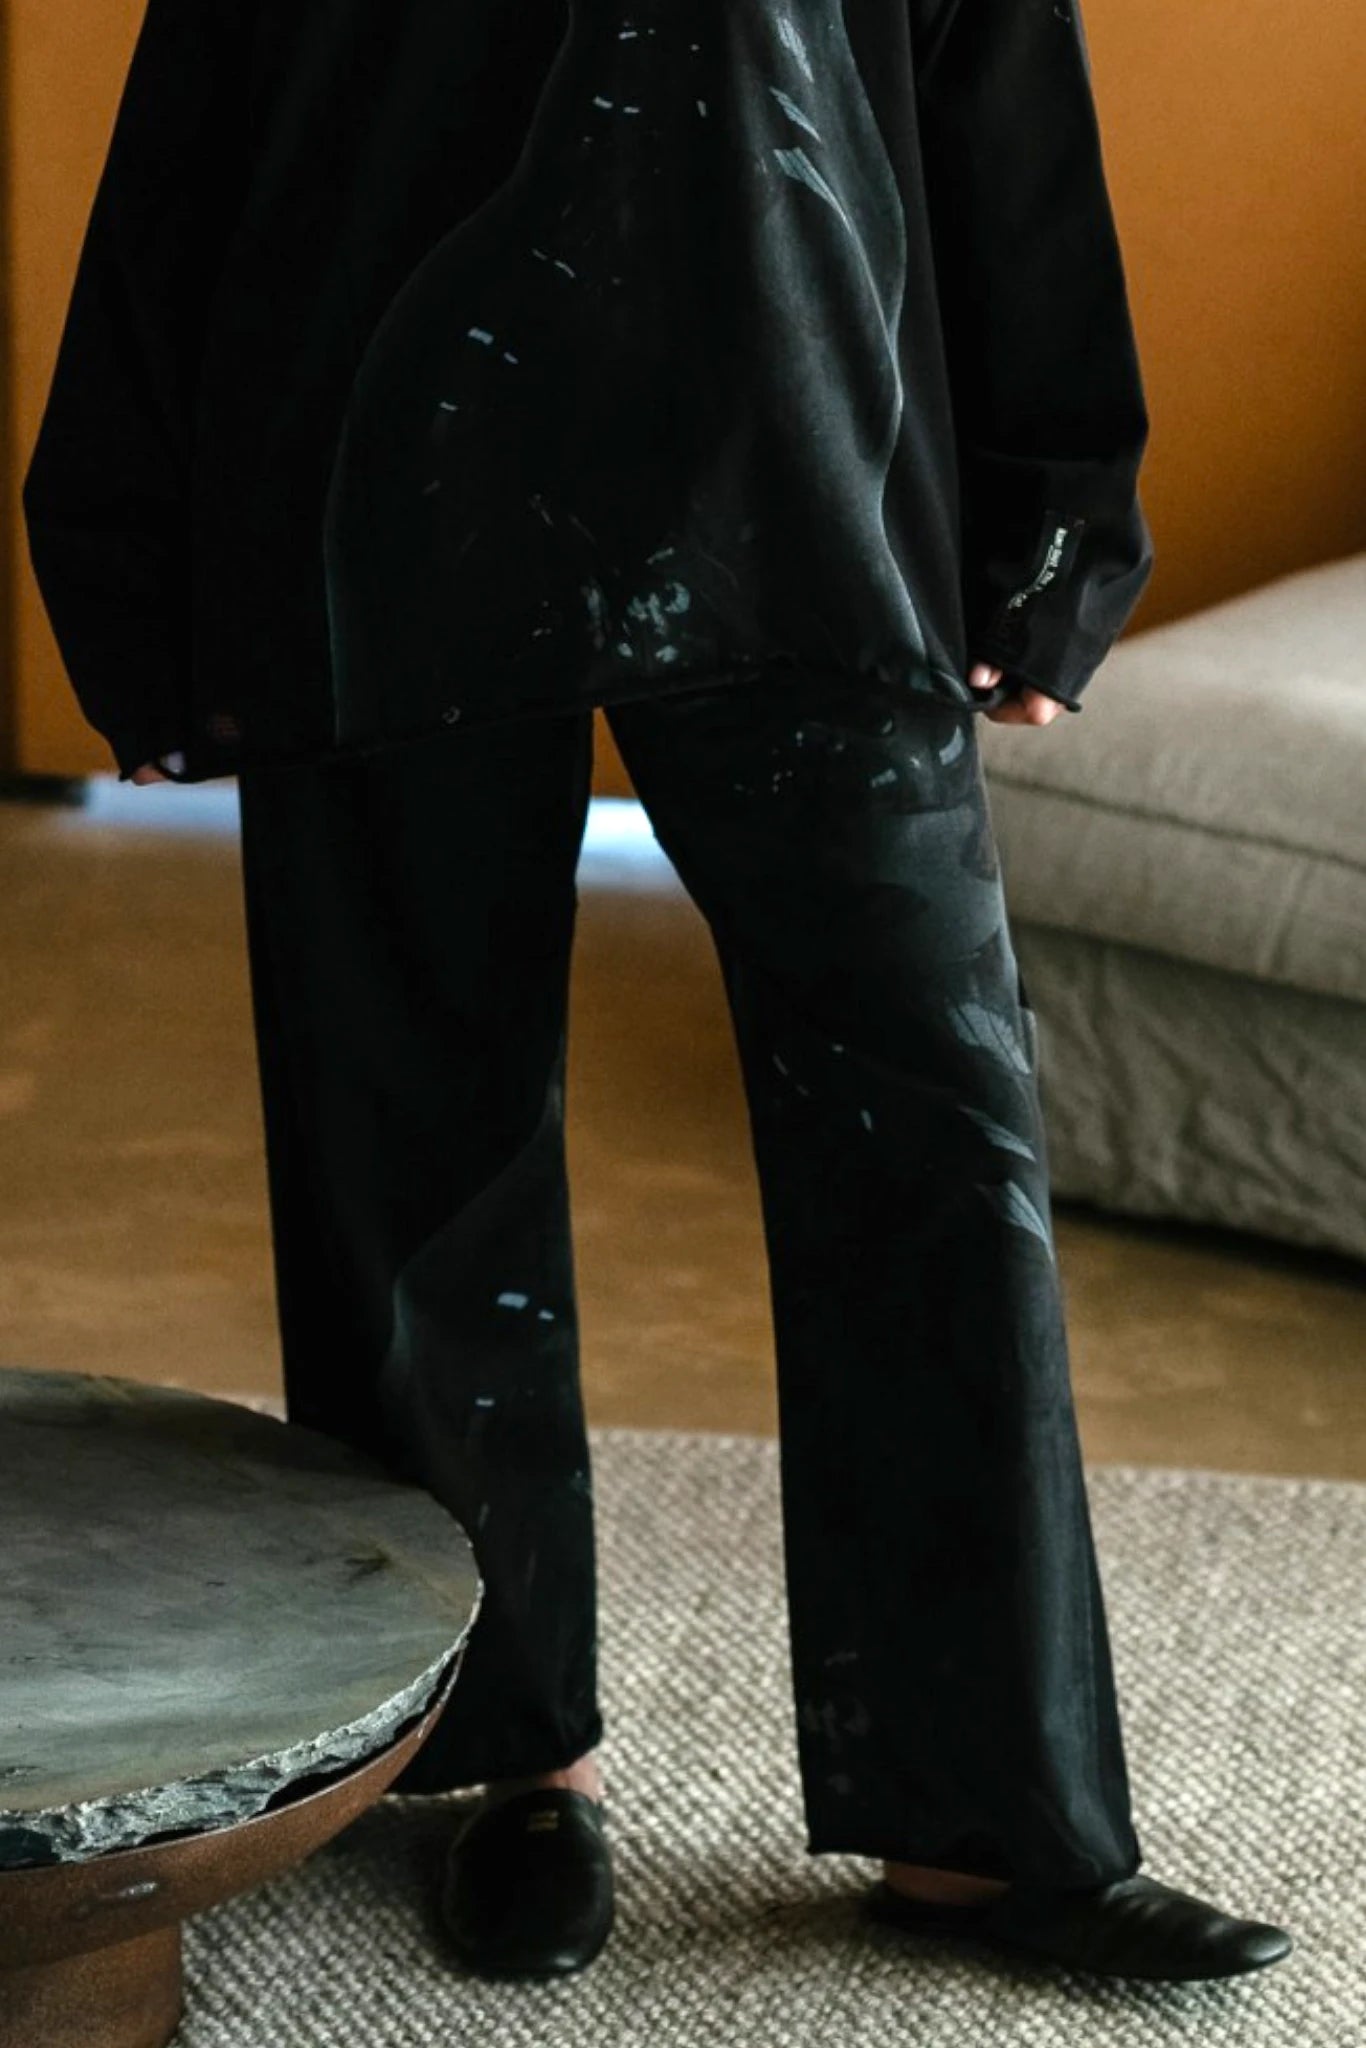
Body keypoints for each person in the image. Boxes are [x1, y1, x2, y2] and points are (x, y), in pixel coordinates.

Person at [24, 0, 1293, 1992]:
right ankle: (499, 1759)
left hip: (812, 459)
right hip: (379, 456)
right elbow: (211, 91)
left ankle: (985, 1818)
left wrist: (1052, 510)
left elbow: (996, 74)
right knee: (412, 1143)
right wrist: (134, 555)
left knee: (935, 1145)